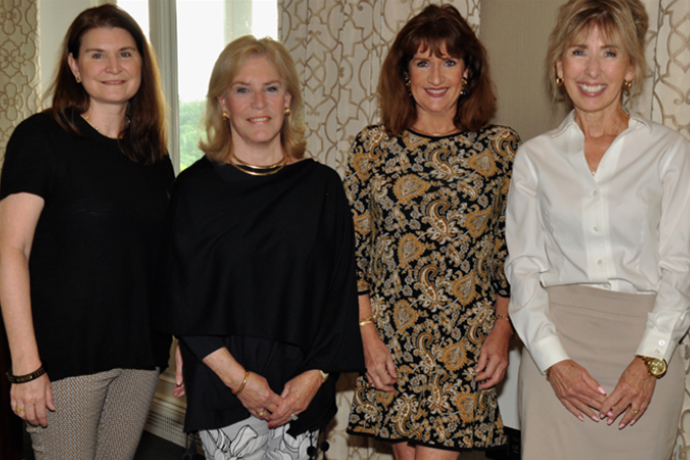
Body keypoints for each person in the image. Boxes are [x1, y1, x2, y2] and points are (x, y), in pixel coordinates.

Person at [152, 35, 364, 460]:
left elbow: (340, 293)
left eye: (270, 88)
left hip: (302, 385)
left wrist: (316, 375)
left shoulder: (322, 188)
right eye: (242, 89)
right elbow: (179, 294)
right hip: (222, 380)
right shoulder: (193, 191)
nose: (258, 103)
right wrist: (240, 380)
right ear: (223, 103)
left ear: (288, 99)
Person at [505, 0, 690, 458]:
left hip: (647, 349)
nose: (592, 69)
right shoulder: (534, 158)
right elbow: (523, 268)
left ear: (631, 68)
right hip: (557, 347)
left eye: (609, 53)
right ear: (558, 66)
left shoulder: (669, 151)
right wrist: (554, 362)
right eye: (578, 52)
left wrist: (650, 361)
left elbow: (681, 265)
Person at [345, 5, 518, 459]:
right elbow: (353, 250)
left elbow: (513, 250)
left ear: (468, 71)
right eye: (422, 61)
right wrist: (366, 336)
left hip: (466, 343)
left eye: (449, 61)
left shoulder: (500, 150)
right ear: (404, 74)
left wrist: (503, 330)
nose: (435, 75)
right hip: (391, 340)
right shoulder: (373, 147)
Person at [0, 4, 174, 459]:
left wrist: (176, 349)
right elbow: (10, 250)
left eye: (126, 53)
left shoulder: (154, 158)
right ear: (74, 66)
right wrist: (25, 366)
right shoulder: (40, 139)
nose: (113, 67)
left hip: (139, 357)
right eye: (97, 55)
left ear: (142, 64)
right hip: (64, 361)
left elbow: (161, 264)